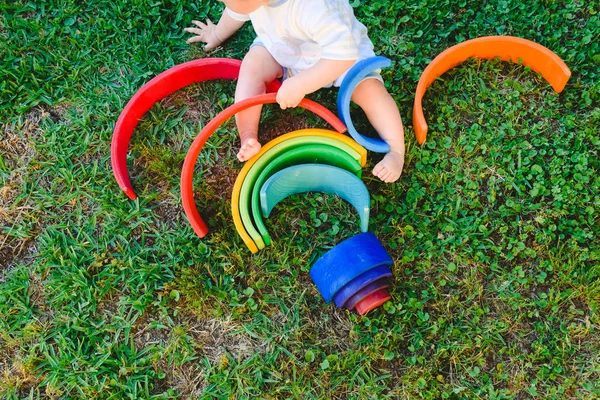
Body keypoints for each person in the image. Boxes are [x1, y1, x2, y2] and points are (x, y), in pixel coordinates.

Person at [185, 0, 405, 183]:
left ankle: (396, 149)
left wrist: (301, 84)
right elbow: (237, 10)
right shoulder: (250, 2)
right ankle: (248, 135)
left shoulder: (315, 7)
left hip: (338, 57)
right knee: (253, 64)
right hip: (286, 46)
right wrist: (216, 33)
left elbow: (342, 55)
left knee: (368, 90)